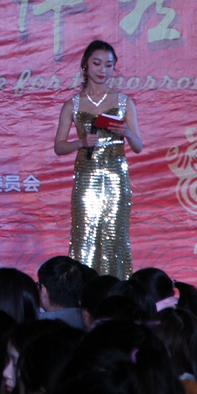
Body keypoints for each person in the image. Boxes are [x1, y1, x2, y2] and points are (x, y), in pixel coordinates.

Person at [53, 39, 142, 279]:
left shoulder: (124, 102)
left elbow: (138, 146)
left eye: (108, 65)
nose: (103, 70)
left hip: (116, 177)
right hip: (86, 176)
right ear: (85, 64)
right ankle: (83, 289)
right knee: (85, 235)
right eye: (97, 63)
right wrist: (81, 142)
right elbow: (59, 147)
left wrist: (127, 132)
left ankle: (117, 289)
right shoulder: (73, 104)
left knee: (115, 235)